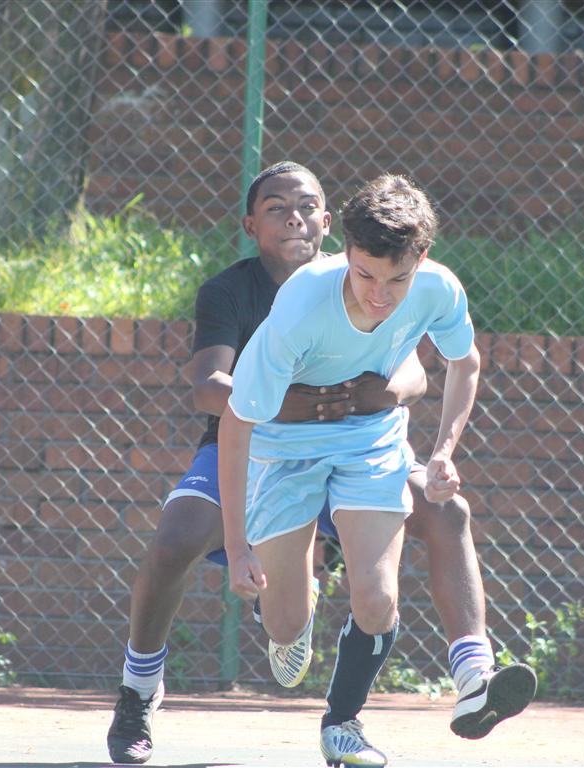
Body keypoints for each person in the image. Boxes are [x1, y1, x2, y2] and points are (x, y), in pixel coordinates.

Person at [107, 163, 535, 765]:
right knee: (280, 621)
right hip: (278, 444)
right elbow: (231, 415)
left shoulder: (433, 287)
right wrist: (239, 545)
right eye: (366, 276)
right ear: (347, 251)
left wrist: (440, 449)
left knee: (382, 594)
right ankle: (155, 680)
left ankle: (383, 708)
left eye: (397, 279)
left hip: (366, 442)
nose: (380, 294)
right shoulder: (287, 302)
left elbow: (448, 364)